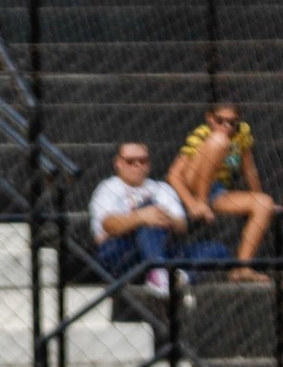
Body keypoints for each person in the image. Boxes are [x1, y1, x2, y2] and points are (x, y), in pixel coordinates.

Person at [89, 142, 227, 294]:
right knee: (149, 209)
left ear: (149, 164)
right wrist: (142, 216)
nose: (137, 165)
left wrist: (162, 217)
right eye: (130, 161)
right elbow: (108, 225)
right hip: (121, 252)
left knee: (218, 250)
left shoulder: (162, 188)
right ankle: (160, 271)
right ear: (118, 163)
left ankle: (176, 278)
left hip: (163, 247)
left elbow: (181, 225)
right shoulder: (108, 188)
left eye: (143, 161)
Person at [166, 103, 277, 282]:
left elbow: (248, 169)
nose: (226, 127)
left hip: (217, 190)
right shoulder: (203, 133)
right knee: (219, 140)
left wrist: (257, 194)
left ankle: (242, 267)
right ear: (210, 118)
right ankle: (202, 200)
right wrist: (194, 203)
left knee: (264, 202)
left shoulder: (242, 133)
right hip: (190, 185)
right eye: (220, 121)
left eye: (232, 122)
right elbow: (173, 175)